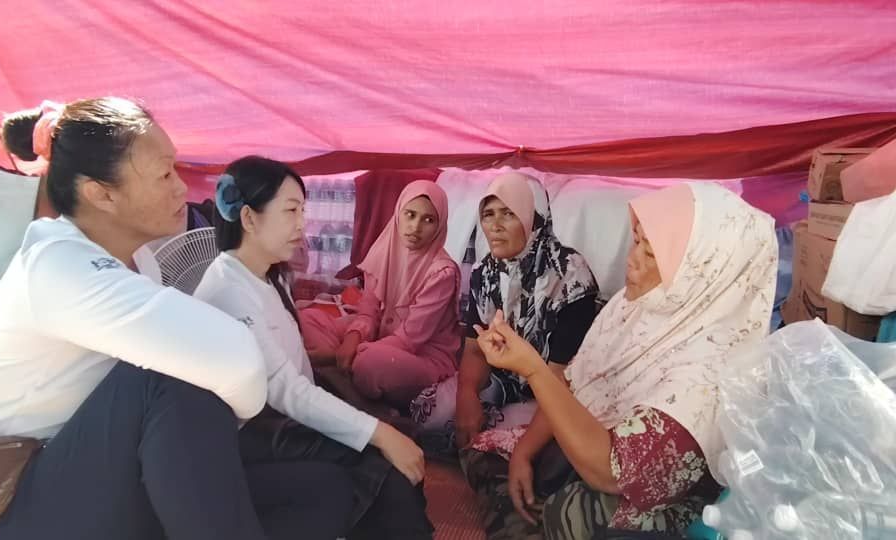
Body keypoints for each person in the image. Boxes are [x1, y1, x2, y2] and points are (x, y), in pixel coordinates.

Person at [0, 98, 354, 540]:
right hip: (9, 504)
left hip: (96, 477)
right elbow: (234, 358)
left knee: (323, 491)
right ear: (100, 193)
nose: (182, 189)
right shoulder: (56, 263)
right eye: (164, 174)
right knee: (178, 376)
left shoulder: (142, 261)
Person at [465, 182, 778, 539]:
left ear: (702, 270)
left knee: (577, 512)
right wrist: (523, 452)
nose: (630, 259)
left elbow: (611, 473)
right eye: (636, 240)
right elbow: (574, 381)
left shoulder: (710, 371)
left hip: (633, 484)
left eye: (651, 251)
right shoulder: (630, 307)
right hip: (585, 444)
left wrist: (532, 368)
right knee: (487, 451)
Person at [194, 156, 434, 539]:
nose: (302, 224)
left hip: (288, 418)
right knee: (385, 466)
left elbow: (298, 372)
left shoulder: (269, 277)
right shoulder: (229, 291)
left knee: (397, 443)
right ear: (250, 219)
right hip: (256, 433)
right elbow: (286, 389)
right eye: (291, 211)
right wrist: (377, 433)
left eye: (302, 210)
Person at [410, 171, 599, 453]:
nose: (494, 226)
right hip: (500, 380)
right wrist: (467, 396)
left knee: (508, 439)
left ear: (534, 218)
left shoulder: (570, 277)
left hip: (550, 391)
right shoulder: (484, 273)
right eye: (488, 214)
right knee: (430, 413)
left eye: (508, 213)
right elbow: (474, 348)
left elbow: (560, 376)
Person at [301, 180, 461, 408]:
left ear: (440, 225)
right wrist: (352, 337)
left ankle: (339, 375)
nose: (415, 227)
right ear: (398, 214)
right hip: (377, 336)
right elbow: (367, 313)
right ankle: (346, 378)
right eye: (410, 214)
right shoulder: (384, 251)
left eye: (429, 220)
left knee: (370, 363)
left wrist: (348, 352)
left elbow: (410, 339)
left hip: (420, 356)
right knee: (308, 318)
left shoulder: (442, 272)